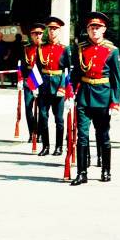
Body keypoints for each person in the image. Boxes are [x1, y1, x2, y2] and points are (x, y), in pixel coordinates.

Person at [70, 12, 120, 185]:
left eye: (97, 28)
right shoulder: (81, 48)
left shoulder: (112, 51)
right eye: (92, 27)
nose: (94, 31)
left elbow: (116, 79)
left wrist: (115, 102)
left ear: (104, 30)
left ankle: (106, 170)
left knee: (103, 136)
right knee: (82, 136)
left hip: (103, 96)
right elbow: (76, 73)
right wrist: (70, 92)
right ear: (87, 29)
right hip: (84, 96)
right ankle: (82, 173)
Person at [36, 16, 71, 157]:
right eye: (50, 29)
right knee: (43, 117)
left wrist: (64, 88)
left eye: (55, 29)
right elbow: (37, 68)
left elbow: (68, 70)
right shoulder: (41, 48)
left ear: (59, 30)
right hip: (44, 85)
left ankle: (59, 147)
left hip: (58, 85)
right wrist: (33, 85)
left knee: (59, 119)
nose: (52, 31)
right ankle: (45, 146)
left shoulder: (64, 48)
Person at [20, 22, 45, 142]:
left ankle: (40, 133)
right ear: (31, 35)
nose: (38, 36)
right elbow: (23, 65)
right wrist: (22, 79)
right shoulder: (27, 48)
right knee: (28, 107)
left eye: (40, 33)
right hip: (30, 79)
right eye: (35, 34)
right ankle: (32, 132)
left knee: (42, 109)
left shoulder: (46, 48)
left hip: (42, 80)